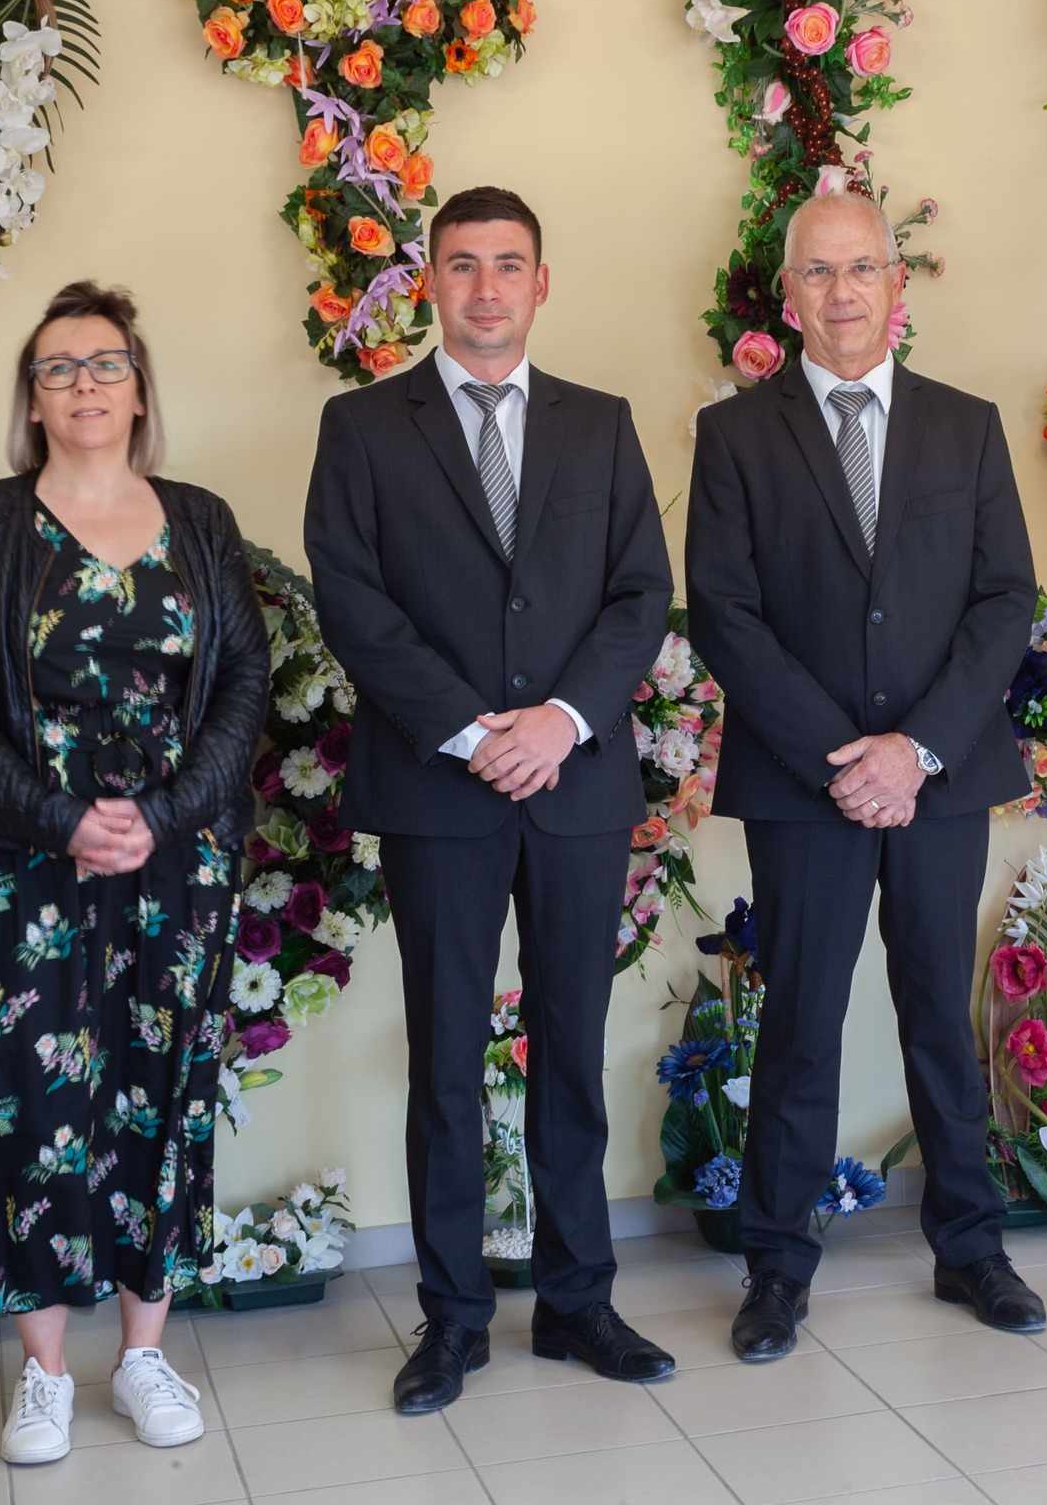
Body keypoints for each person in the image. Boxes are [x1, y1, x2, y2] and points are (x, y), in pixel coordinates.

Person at [304, 185, 675, 1410]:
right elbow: (355, 600)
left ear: (541, 280)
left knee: (572, 1047)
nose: (485, 288)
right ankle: (452, 1317)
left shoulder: (601, 422)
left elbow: (637, 595)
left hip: (574, 782)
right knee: (449, 1057)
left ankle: (578, 1302)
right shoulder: (362, 425)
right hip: (440, 788)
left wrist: (560, 721)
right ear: (429, 279)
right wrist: (472, 731)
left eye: (508, 263)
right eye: (461, 265)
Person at [0, 281, 268, 1465]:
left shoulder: (202, 519)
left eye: (104, 362)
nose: (84, 384)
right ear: (31, 393)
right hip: (33, 858)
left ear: (140, 383)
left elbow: (240, 691)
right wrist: (61, 817)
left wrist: (162, 812)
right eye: (58, 367)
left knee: (163, 1088)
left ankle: (147, 1355)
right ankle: (47, 1375)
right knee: (39, 1099)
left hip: (182, 854)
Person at [686, 190, 1044, 1361]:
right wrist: (844, 756)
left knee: (945, 1010)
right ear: (787, 296)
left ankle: (972, 1249)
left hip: (938, 775)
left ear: (898, 285)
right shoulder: (735, 434)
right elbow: (727, 614)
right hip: (806, 784)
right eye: (819, 273)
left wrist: (916, 749)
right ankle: (777, 1265)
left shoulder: (966, 424)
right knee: (800, 1020)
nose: (843, 292)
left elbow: (1003, 600)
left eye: (863, 269)